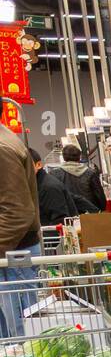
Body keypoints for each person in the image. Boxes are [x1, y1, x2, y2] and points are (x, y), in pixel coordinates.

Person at [0, 128, 42, 338]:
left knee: (21, 339)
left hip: (12, 252)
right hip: (13, 249)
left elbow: (18, 213)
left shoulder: (2, 149)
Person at [31, 149, 85, 226]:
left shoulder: (48, 187)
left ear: (39, 165)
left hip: (54, 236)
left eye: (27, 165)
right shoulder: (40, 183)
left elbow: (59, 220)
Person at [53, 143, 107, 213]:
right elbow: (100, 197)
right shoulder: (91, 173)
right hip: (90, 215)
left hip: (67, 216)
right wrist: (100, 210)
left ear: (63, 157)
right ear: (79, 157)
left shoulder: (55, 174)